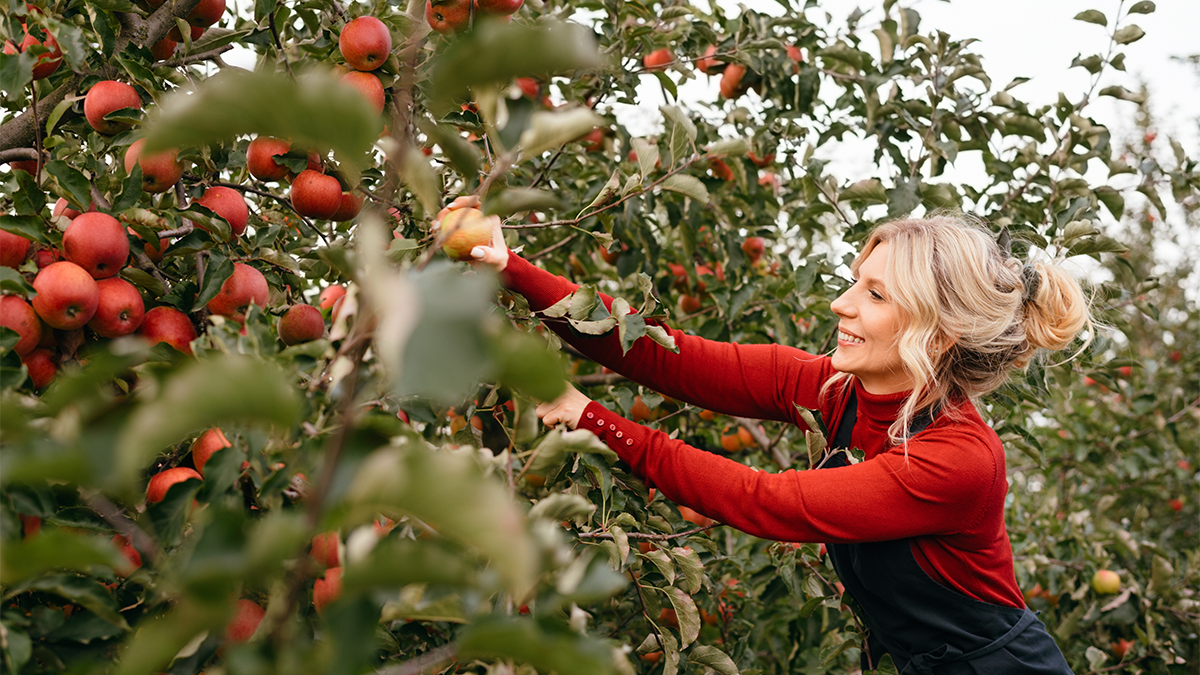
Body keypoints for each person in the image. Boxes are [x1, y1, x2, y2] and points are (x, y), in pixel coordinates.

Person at [445, 196, 1089, 674]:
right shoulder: (836, 391)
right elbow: (669, 357)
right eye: (852, 281)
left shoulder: (958, 457)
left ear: (937, 331)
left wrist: (593, 417)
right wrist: (514, 269)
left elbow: (769, 501)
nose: (841, 304)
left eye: (875, 294)